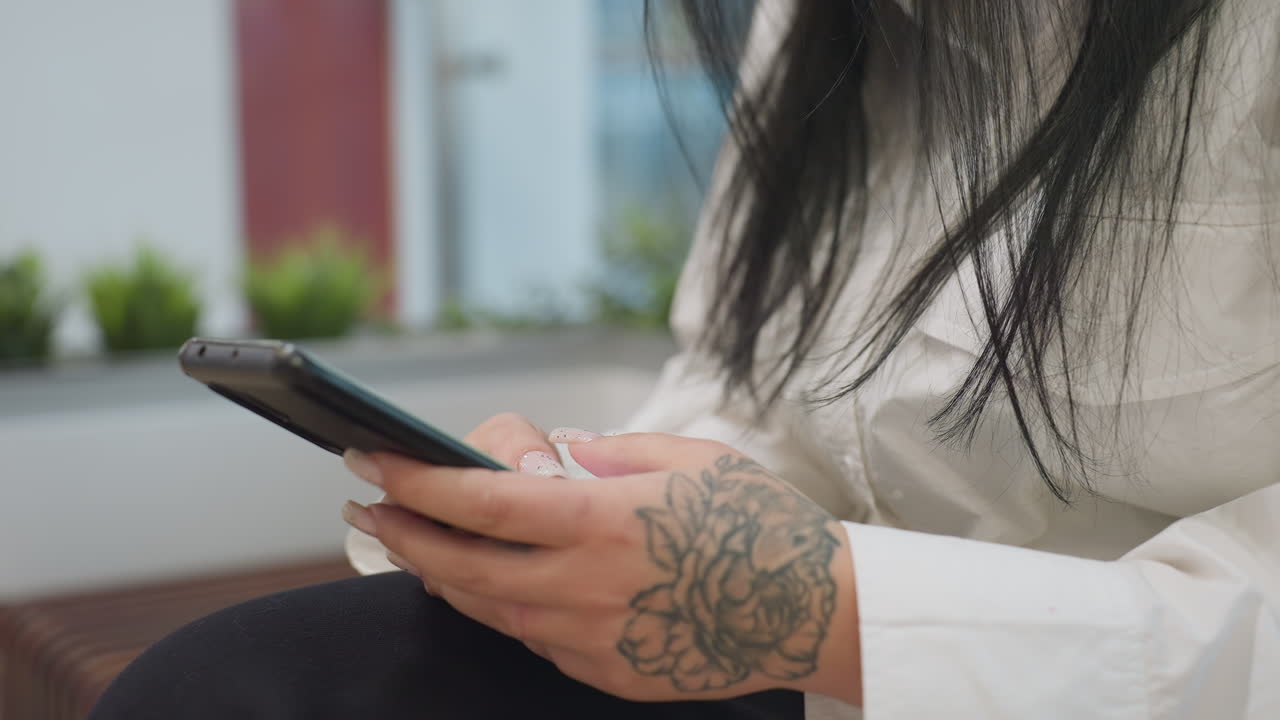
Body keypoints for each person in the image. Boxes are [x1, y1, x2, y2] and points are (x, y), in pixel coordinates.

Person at [91, 0, 1279, 718]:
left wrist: (837, 614)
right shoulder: (831, 24)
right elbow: (743, 370)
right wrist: (593, 494)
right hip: (799, 678)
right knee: (225, 696)